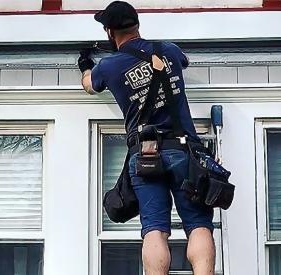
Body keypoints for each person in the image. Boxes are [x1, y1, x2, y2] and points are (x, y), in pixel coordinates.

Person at [77, 2, 215, 274]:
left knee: (154, 229)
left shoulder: (108, 67)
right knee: (198, 223)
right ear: (137, 24)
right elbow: (183, 61)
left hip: (145, 153)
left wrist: (85, 65)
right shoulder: (168, 50)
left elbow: (89, 85)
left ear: (108, 32)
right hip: (183, 150)